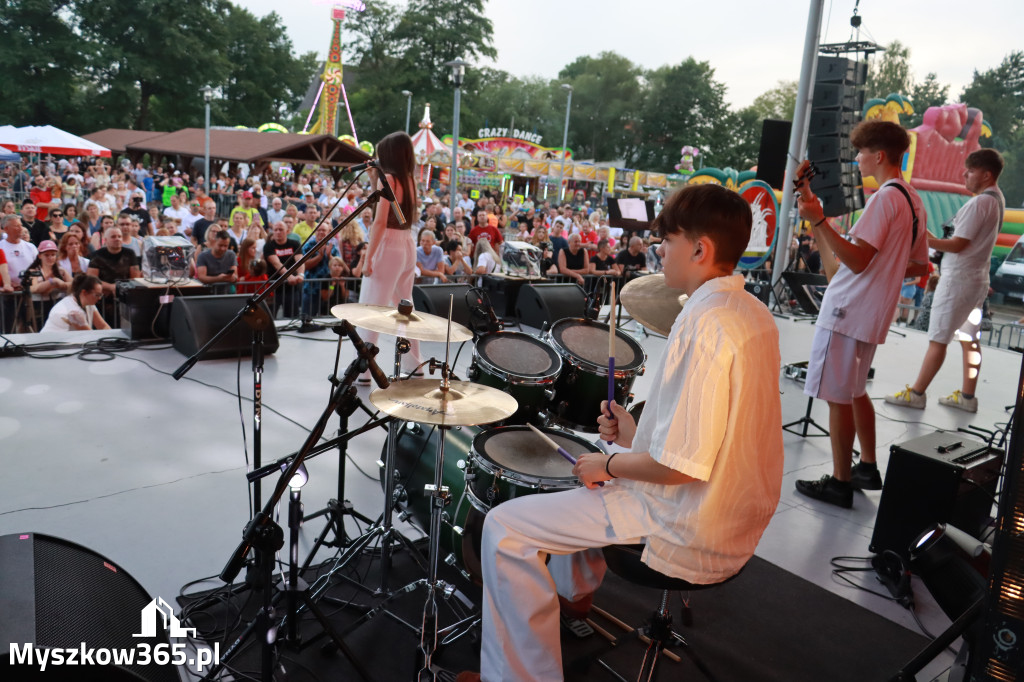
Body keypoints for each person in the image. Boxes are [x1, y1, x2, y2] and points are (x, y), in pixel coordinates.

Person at [459, 184, 784, 682]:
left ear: (700, 250)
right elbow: (715, 437)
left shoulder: (705, 322)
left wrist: (609, 463)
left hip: (689, 521)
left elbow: (678, 467)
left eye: (667, 241)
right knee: (599, 453)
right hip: (737, 515)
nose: (659, 250)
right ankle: (573, 597)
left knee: (506, 528)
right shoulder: (751, 313)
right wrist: (633, 436)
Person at [793, 120, 930, 509]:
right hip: (870, 313)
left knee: (837, 396)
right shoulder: (912, 199)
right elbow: (920, 265)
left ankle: (839, 482)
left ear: (879, 155)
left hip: (846, 311)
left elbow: (855, 260)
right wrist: (817, 217)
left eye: (861, 153)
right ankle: (866, 466)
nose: (857, 159)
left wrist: (820, 220)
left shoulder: (884, 198)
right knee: (853, 391)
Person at [884, 149, 1005, 414]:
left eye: (970, 171)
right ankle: (967, 397)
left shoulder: (980, 203)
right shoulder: (996, 199)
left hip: (958, 282)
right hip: (975, 280)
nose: (965, 175)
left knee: (939, 339)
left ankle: (916, 393)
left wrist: (923, 239)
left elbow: (958, 244)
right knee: (969, 339)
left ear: (986, 174)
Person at [357, 131, 421, 383]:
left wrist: (368, 259)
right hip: (407, 244)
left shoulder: (390, 180)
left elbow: (379, 221)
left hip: (389, 245)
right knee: (405, 308)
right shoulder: (409, 180)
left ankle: (363, 369)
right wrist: (375, 179)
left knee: (372, 306)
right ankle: (415, 366)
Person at [87, 226, 142, 324]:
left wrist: (119, 288)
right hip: (102, 300)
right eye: (113, 237)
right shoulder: (97, 255)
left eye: (119, 236)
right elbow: (91, 279)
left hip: (125, 299)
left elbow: (135, 277)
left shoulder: (130, 253)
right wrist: (111, 287)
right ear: (106, 240)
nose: (117, 239)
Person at [40, 274, 110, 332]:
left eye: (101, 295)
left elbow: (103, 326)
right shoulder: (74, 312)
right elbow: (90, 336)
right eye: (97, 295)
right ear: (84, 292)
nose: (100, 298)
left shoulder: (88, 303)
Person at [263, 221, 305, 318]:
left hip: (291, 288)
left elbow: (300, 260)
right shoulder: (269, 245)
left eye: (281, 229)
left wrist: (301, 275)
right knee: (269, 317)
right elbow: (277, 264)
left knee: (291, 317)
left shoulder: (294, 243)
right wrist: (289, 277)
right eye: (276, 230)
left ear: (287, 231)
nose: (278, 232)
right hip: (273, 287)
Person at [196, 230, 239, 294]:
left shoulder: (231, 255)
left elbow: (235, 275)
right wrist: (218, 278)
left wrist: (233, 278)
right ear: (214, 242)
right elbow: (202, 277)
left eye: (226, 246)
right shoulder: (203, 256)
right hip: (208, 293)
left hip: (227, 293)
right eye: (220, 245)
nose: (223, 248)